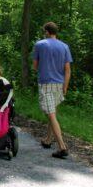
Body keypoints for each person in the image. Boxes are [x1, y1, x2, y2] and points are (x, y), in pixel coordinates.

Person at [32, 22, 72, 159]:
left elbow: (35, 66)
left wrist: (44, 69)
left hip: (46, 83)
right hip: (59, 84)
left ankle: (62, 147)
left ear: (47, 32)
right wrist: (65, 87)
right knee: (52, 112)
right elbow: (67, 70)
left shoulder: (40, 45)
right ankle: (48, 140)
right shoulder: (64, 46)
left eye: (44, 31)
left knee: (51, 115)